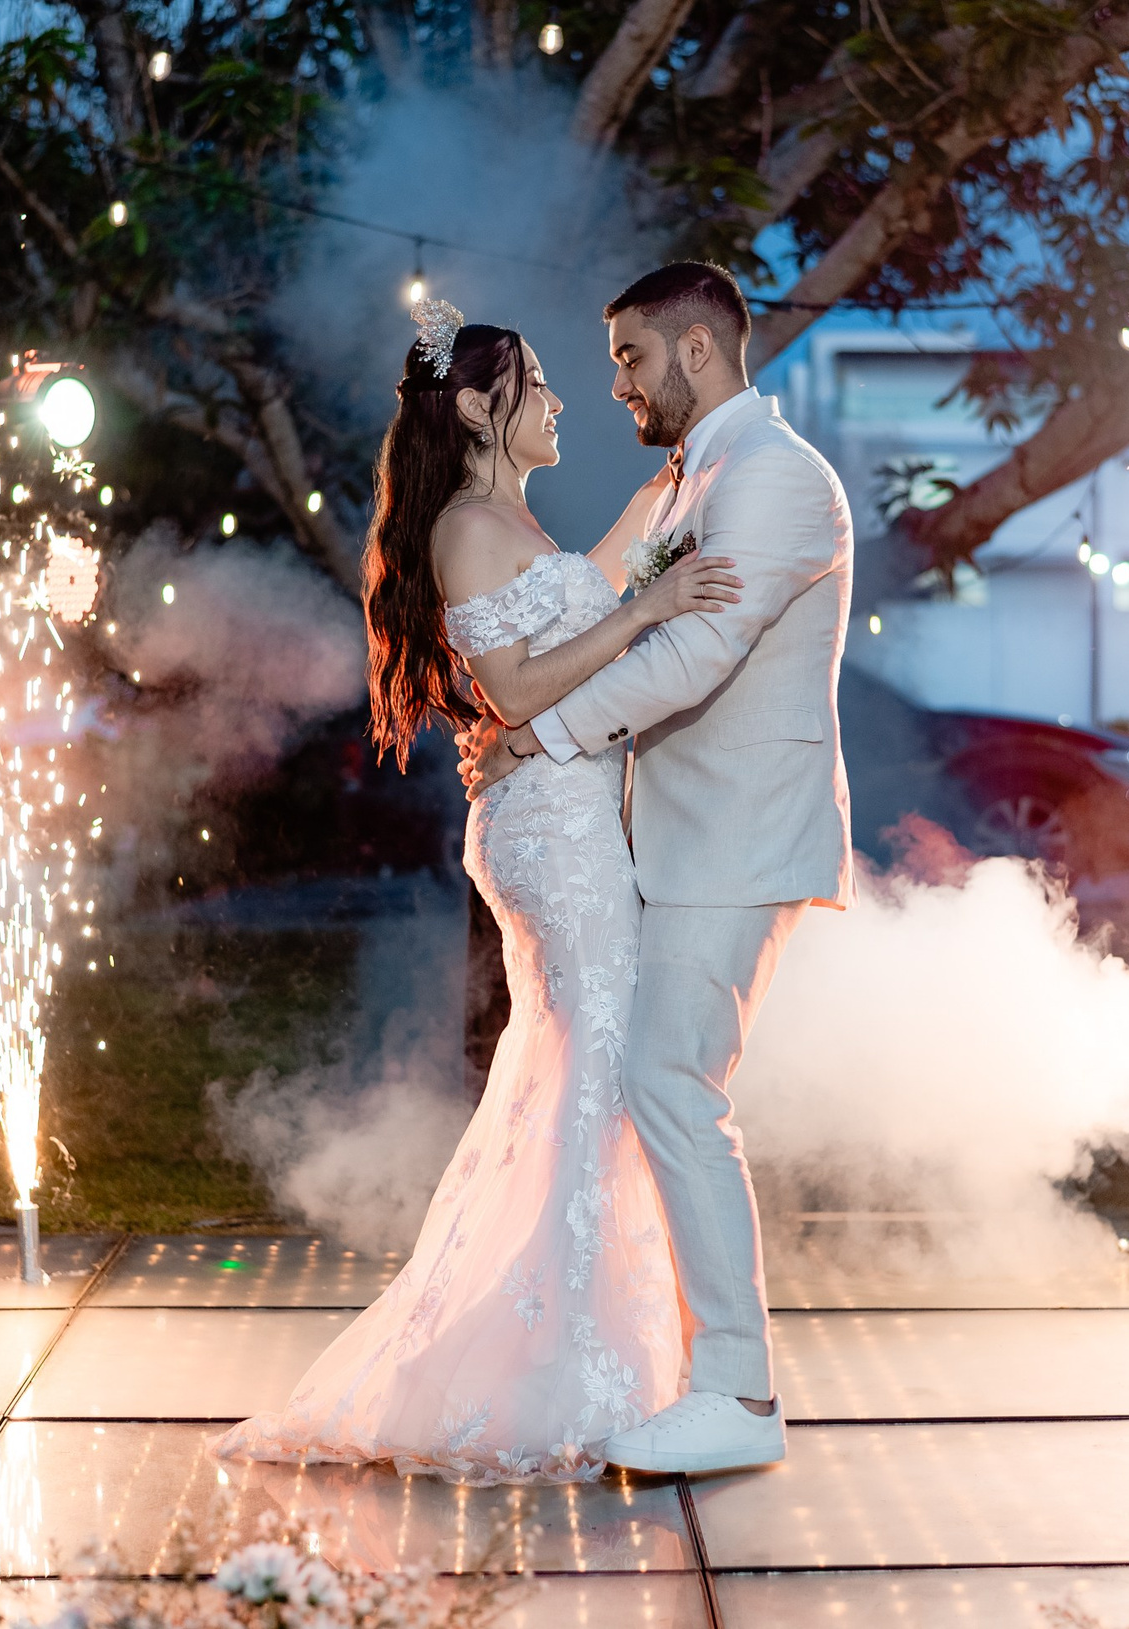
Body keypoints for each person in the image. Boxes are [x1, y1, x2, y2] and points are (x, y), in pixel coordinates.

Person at [216, 299, 743, 1484]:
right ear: (476, 407)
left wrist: (657, 510)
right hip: (550, 838)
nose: (563, 401)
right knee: (598, 1068)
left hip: (557, 812)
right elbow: (511, 684)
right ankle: (567, 1369)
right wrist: (650, 611)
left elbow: (569, 606)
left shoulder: (507, 515)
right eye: (542, 383)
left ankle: (581, 1352)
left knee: (579, 1073)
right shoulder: (460, 525)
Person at [461, 261, 854, 1475]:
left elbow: (696, 650)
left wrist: (539, 729)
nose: (615, 382)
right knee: (659, 1082)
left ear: (694, 351)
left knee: (672, 1082)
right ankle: (697, 1368)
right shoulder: (700, 475)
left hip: (738, 837)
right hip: (678, 837)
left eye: (630, 357)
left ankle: (735, 1391)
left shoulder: (778, 479)